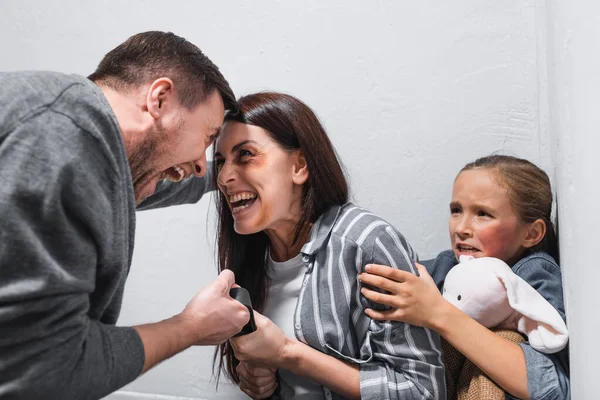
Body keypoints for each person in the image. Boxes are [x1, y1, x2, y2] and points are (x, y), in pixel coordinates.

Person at [0, 31, 251, 399]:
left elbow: (153, 184)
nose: (201, 165)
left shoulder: (81, 136)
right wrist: (190, 327)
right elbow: (44, 369)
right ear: (159, 99)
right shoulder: (63, 139)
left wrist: (230, 174)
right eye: (208, 138)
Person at [211, 92, 446, 400]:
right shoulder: (250, 258)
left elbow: (423, 391)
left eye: (246, 155)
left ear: (300, 166)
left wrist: (288, 354)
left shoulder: (368, 244)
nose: (224, 177)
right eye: (220, 162)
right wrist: (255, 374)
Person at [358, 155, 569, 400]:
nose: (461, 228)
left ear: (532, 233)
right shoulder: (447, 266)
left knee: (505, 339)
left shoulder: (532, 273)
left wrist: (437, 312)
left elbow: (552, 387)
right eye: (456, 211)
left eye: (483, 214)